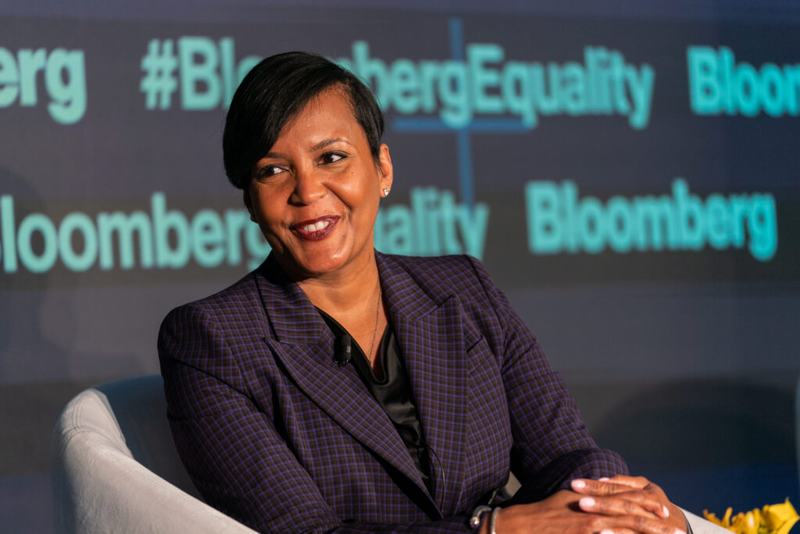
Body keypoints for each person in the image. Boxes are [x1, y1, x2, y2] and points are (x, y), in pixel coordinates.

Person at [158, 51, 689, 534]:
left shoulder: (463, 288)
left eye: (331, 158)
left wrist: (614, 502)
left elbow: (567, 454)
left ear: (382, 168)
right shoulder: (210, 341)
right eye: (273, 170)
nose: (308, 191)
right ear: (251, 203)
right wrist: (494, 530)